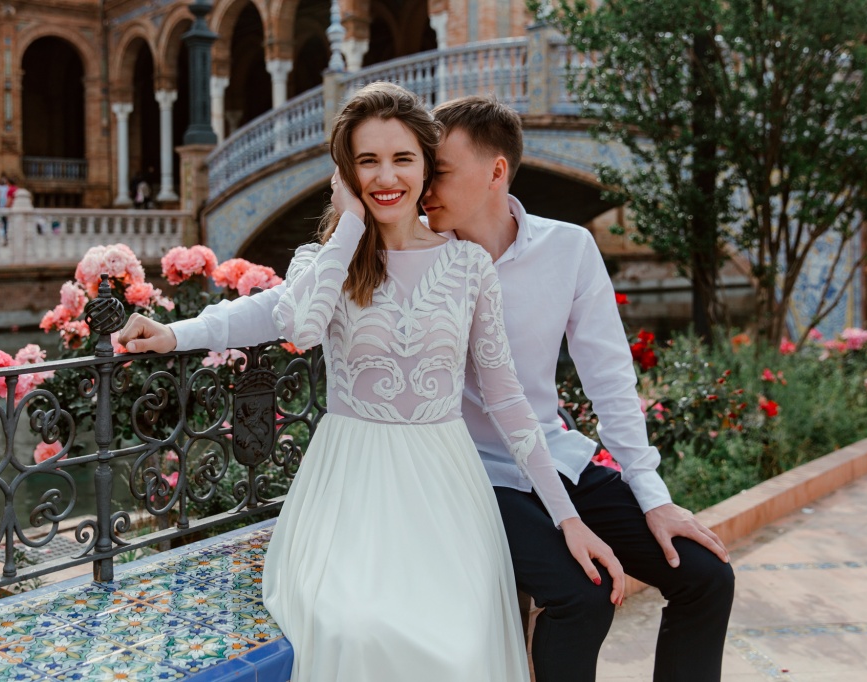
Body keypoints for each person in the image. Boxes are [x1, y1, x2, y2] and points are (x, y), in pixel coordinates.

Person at [119, 92, 735, 681]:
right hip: (455, 474)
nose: (413, 184)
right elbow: (286, 315)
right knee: (573, 597)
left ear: (495, 173)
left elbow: (598, 384)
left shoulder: (543, 252)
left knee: (706, 575)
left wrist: (647, 498)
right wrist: (176, 332)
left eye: (426, 167)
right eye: (378, 163)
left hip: (536, 458)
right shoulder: (361, 249)